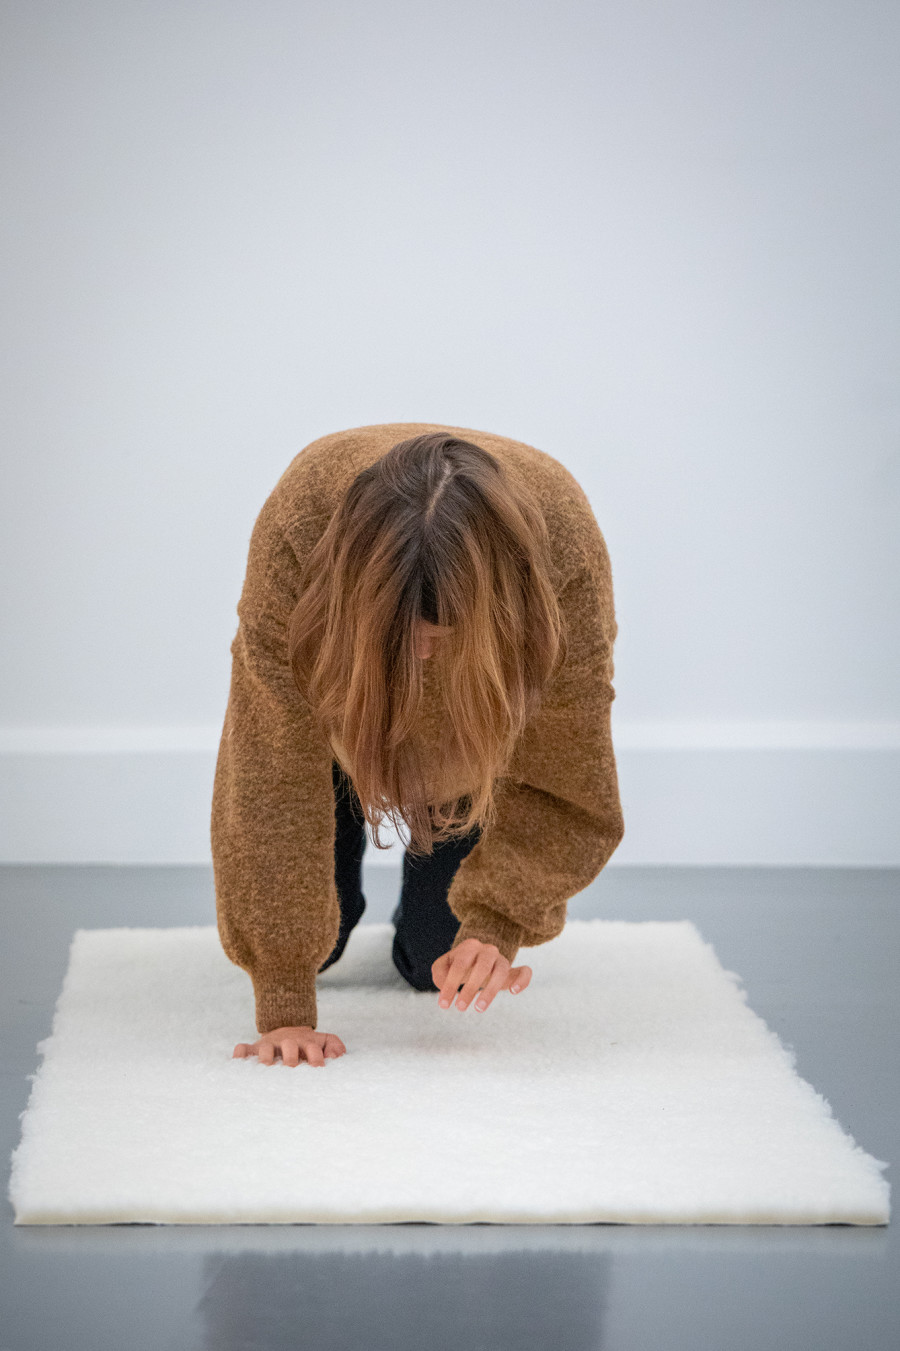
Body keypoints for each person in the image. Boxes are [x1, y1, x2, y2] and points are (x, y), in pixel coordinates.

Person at [211, 423, 625, 1067]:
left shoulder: (561, 542)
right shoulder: (301, 519)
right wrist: (285, 999)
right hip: (342, 720)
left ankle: (435, 887)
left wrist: (497, 923)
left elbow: (570, 760)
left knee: (433, 958)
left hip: (475, 734)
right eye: (406, 634)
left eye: (445, 633)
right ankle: (335, 892)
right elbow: (268, 765)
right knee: (326, 937)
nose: (425, 653)